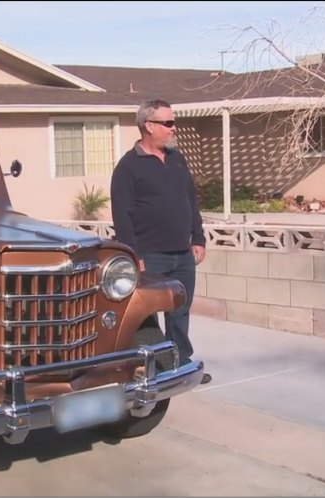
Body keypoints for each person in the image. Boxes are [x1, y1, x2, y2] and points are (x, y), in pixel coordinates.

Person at [110, 98, 211, 385]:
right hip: (150, 257)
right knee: (147, 316)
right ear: (149, 126)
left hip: (182, 255)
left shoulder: (178, 160)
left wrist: (198, 238)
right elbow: (122, 215)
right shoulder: (128, 168)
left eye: (173, 122)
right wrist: (134, 254)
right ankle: (152, 367)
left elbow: (190, 201)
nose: (173, 128)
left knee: (181, 312)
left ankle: (180, 364)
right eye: (168, 123)